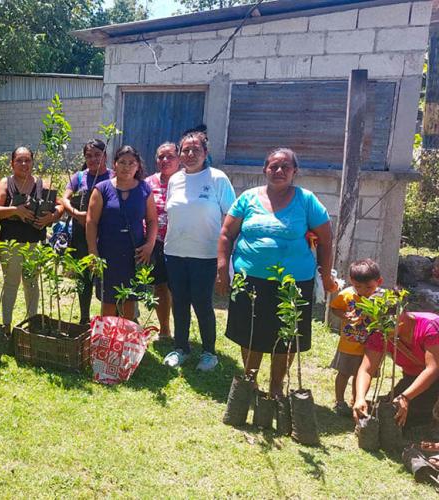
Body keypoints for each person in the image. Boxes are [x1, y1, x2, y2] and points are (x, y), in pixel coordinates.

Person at [217, 148, 337, 397]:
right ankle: (250, 382)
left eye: (285, 166)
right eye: (273, 166)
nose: (279, 171)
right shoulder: (247, 198)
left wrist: (325, 276)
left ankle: (276, 388)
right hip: (249, 280)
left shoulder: (306, 201)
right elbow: (227, 234)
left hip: (292, 284)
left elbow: (326, 240)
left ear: (295, 171)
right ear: (265, 170)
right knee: (250, 333)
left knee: (285, 338)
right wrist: (222, 269)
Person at [163, 131, 236, 372]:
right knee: (180, 302)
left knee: (202, 303)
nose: (191, 154)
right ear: (180, 153)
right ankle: (181, 348)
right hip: (174, 252)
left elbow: (231, 218)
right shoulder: (174, 180)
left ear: (206, 153)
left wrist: (224, 257)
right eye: (186, 150)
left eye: (196, 149)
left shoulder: (217, 178)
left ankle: (208, 352)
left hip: (205, 255)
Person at [0, 146, 62, 328]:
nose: (24, 164)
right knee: (11, 284)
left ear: (32, 162)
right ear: (12, 163)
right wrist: (15, 210)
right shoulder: (6, 184)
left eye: (27, 160)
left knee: (32, 285)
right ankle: (6, 326)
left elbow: (61, 205)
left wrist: (51, 217)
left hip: (35, 244)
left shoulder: (41, 184)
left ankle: (32, 325)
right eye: (19, 160)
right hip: (11, 244)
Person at [86, 145, 156, 319]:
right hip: (107, 254)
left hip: (135, 254)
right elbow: (91, 222)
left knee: (129, 300)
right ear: (115, 164)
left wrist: (149, 245)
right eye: (122, 162)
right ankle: (109, 341)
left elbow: (152, 220)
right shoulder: (102, 189)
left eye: (131, 163)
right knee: (108, 301)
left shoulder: (144, 189)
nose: (127, 166)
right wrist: (93, 253)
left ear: (138, 166)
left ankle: (125, 343)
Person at [354, 311, 439, 430]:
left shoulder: (430, 325)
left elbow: (433, 368)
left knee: (419, 413)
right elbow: (366, 370)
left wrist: (405, 397)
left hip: (435, 377)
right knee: (391, 412)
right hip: (414, 377)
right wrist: (360, 398)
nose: (385, 323)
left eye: (391, 316)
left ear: (402, 312)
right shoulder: (380, 332)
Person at [60, 139, 112, 325]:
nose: (93, 159)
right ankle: (84, 319)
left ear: (105, 156)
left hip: (107, 235)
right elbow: (64, 199)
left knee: (107, 278)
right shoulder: (79, 177)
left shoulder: (113, 177)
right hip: (81, 236)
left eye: (97, 155)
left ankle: (108, 320)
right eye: (89, 156)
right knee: (84, 278)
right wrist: (76, 213)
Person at [328, 259, 383, 416]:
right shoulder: (347, 295)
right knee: (344, 373)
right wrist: (345, 315)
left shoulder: (381, 298)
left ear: (379, 282)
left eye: (369, 287)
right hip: (349, 344)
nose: (364, 291)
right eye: (358, 286)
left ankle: (356, 401)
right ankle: (339, 401)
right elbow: (335, 308)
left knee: (362, 375)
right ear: (352, 282)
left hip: (370, 348)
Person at [144, 142, 179, 339]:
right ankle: (164, 329)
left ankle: (182, 332)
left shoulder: (186, 181)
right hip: (155, 242)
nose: (165, 160)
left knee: (180, 289)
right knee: (160, 286)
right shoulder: (148, 183)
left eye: (170, 156)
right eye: (160, 157)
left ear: (179, 159)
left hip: (181, 243)